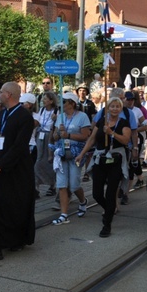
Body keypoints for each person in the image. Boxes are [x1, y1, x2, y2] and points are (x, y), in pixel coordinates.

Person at [0, 82, 35, 261]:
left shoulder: (24, 116)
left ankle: (15, 239)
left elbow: (19, 146)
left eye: (1, 92)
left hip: (16, 170)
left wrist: (1, 164)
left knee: (15, 205)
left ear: (9, 95)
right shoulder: (1, 114)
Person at [77, 96, 130, 237]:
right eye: (112, 106)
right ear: (108, 108)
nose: (114, 109)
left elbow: (126, 140)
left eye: (117, 106)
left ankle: (107, 224)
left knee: (110, 193)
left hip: (115, 161)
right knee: (97, 193)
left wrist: (112, 133)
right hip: (100, 159)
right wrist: (82, 154)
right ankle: (109, 210)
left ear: (120, 109)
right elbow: (92, 139)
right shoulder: (102, 121)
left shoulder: (124, 123)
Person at [50, 92, 91, 225]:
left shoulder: (82, 116)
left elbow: (85, 136)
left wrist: (68, 135)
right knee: (62, 185)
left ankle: (83, 201)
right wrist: (57, 133)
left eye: (64, 102)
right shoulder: (60, 116)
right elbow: (55, 137)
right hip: (62, 153)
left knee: (74, 185)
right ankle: (64, 214)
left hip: (76, 153)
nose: (61, 104)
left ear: (72, 103)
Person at [35, 91, 58, 197]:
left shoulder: (56, 111)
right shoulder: (42, 110)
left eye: (45, 99)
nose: (43, 101)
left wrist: (55, 119)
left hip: (50, 135)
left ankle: (52, 184)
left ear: (51, 101)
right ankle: (36, 185)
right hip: (41, 134)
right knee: (39, 159)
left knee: (50, 159)